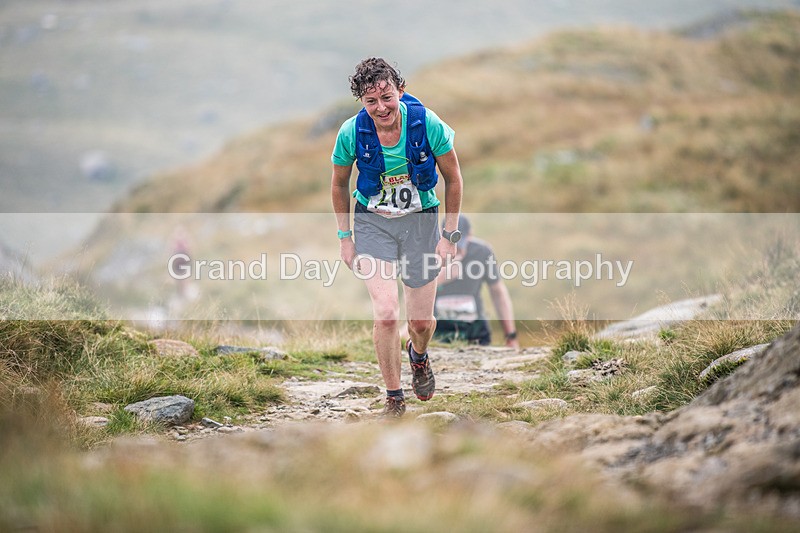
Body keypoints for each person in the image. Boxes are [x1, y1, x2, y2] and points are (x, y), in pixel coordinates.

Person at [331, 58, 463, 418]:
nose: (381, 108)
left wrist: (449, 235)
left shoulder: (427, 124)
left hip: (421, 222)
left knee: (420, 323)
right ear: (361, 101)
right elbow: (339, 183)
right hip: (373, 223)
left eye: (387, 97)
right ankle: (394, 397)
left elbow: (453, 178)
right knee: (387, 313)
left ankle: (418, 356)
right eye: (371, 102)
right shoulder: (350, 133)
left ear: (399, 91)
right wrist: (346, 237)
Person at [434, 215, 520, 348]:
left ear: (469, 235)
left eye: (460, 243)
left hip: (475, 331)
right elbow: (415, 293)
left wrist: (511, 335)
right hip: (437, 331)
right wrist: (443, 276)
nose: (456, 249)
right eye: (451, 242)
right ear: (441, 234)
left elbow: (498, 293)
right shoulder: (430, 250)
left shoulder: (482, 252)